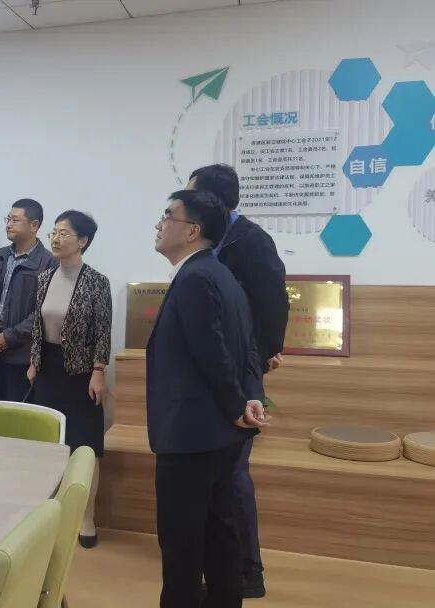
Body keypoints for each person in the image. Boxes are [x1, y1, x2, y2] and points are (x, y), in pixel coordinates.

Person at [147, 189, 269, 608]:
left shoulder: (195, 278)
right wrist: (250, 397)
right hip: (218, 436)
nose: (160, 223)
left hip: (190, 437)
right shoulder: (221, 275)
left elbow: (211, 352)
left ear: (192, 231)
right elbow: (248, 348)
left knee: (181, 546)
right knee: (220, 537)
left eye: (168, 216)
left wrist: (238, 404)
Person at [189, 163, 289, 598]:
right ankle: (217, 559)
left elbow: (274, 302)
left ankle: (248, 569)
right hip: (211, 369)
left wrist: (263, 355)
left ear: (211, 200)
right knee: (216, 469)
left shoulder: (250, 240)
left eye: (191, 194)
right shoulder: (208, 240)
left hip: (239, 369)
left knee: (233, 471)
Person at [27, 210, 111, 549]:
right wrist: (34, 361)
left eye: (64, 233)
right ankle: (49, 514)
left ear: (83, 241)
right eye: (54, 232)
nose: (56, 238)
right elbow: (37, 326)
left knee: (86, 447)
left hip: (81, 373)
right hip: (47, 369)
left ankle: (87, 517)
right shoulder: (44, 278)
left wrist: (99, 372)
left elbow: (102, 331)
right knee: (51, 445)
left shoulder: (97, 281)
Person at [0, 199, 55, 402]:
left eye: (15, 220)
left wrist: (9, 337)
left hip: (20, 355)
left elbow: (43, 311)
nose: (8, 224)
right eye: (7, 219)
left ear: (34, 225)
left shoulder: (48, 262)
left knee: (15, 415)